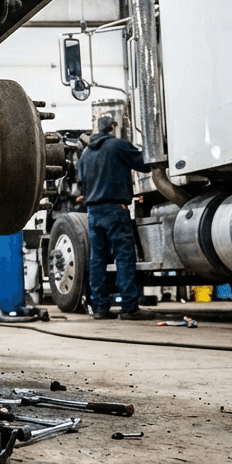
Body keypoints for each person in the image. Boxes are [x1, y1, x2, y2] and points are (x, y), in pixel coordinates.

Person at [77, 114, 153, 320]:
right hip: (115, 210)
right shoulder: (118, 146)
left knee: (97, 260)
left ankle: (100, 308)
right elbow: (145, 164)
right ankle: (129, 307)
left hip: (93, 212)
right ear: (112, 128)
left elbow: (80, 182)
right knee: (124, 257)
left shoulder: (85, 154)